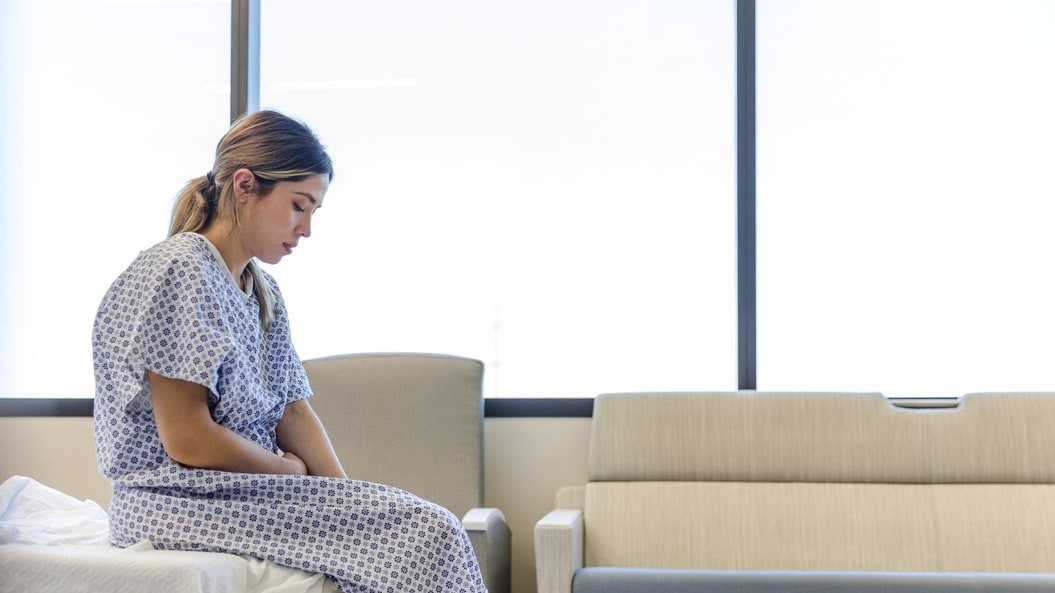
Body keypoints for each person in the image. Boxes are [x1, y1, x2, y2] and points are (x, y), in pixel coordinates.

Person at [92, 109, 487, 593]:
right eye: (299, 206)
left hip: (241, 493)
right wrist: (287, 471)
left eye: (314, 212)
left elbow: (294, 412)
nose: (306, 229)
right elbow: (187, 439)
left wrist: (347, 499)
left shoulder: (262, 291)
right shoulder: (180, 270)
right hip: (174, 499)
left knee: (422, 530)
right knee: (431, 535)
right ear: (244, 186)